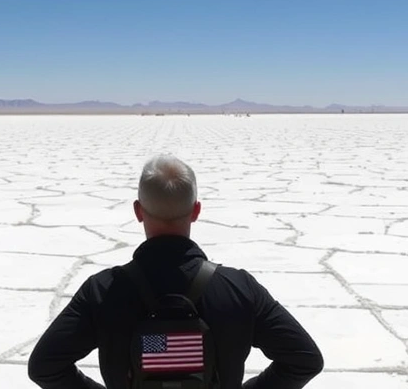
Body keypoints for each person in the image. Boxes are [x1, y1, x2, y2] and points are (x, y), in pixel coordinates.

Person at [27, 154, 323, 389]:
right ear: (196, 210)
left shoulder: (103, 290)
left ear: (138, 210)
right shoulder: (238, 287)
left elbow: (45, 366)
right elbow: (304, 360)